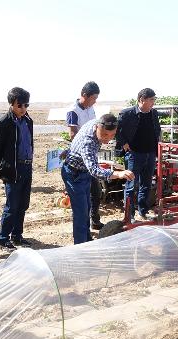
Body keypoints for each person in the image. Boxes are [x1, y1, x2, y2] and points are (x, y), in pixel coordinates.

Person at [62, 114, 134, 244]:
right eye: (105, 135)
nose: (108, 139)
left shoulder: (99, 122)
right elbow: (94, 170)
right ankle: (80, 247)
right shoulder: (88, 141)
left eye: (112, 135)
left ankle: (87, 240)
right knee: (80, 213)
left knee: (87, 208)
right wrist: (118, 174)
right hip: (74, 174)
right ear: (97, 127)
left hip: (83, 173)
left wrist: (70, 149)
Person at [0, 87, 34, 252]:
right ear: (11, 104)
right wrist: (3, 166)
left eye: (26, 105)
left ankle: (17, 235)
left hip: (27, 166)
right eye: (19, 105)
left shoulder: (28, 121)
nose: (23, 109)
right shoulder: (4, 123)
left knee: (23, 204)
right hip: (13, 169)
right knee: (12, 205)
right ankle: (3, 239)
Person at [116, 88, 161, 222]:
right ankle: (129, 216)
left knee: (146, 184)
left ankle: (143, 211)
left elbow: (156, 130)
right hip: (134, 154)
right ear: (142, 100)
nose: (153, 102)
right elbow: (117, 131)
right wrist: (124, 143)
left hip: (150, 153)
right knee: (131, 185)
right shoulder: (127, 113)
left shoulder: (153, 113)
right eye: (151, 100)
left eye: (154, 99)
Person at [66, 81, 104, 230]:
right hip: (81, 157)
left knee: (96, 192)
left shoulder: (91, 108)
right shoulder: (73, 111)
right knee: (84, 195)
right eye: (93, 98)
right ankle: (84, 226)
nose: (95, 101)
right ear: (84, 95)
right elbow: (73, 134)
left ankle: (94, 220)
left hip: (92, 154)